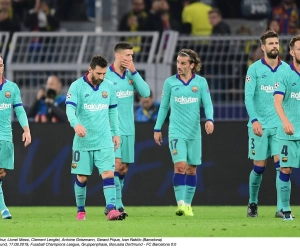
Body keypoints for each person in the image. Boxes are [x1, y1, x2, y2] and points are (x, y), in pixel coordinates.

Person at [154, 48, 214, 216]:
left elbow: (207, 104)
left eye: (183, 63)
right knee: (180, 166)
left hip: (194, 133)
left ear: (192, 65)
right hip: (176, 132)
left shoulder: (201, 83)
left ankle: (188, 205)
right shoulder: (170, 82)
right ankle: (180, 204)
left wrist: (210, 119)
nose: (179, 66)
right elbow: (164, 106)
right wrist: (157, 128)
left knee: (192, 170)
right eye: (178, 62)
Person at [65, 54, 126, 221]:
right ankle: (81, 211)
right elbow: (69, 109)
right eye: (99, 73)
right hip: (83, 141)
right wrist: (75, 124)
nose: (102, 77)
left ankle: (111, 209)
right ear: (90, 70)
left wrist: (116, 133)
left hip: (104, 139)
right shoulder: (76, 86)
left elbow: (113, 111)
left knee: (109, 173)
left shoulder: (108, 87)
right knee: (82, 177)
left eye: (104, 74)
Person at [244, 30, 292, 218]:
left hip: (280, 126)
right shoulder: (254, 69)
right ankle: (253, 203)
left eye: (276, 43)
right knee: (259, 167)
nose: (274, 46)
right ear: (263, 47)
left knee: (282, 166)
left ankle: (281, 208)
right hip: (260, 125)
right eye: (270, 43)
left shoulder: (287, 70)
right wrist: (254, 119)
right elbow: (248, 97)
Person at [105, 41, 150, 216]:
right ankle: (117, 204)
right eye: (127, 56)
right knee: (115, 165)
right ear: (117, 55)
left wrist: (135, 71)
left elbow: (146, 93)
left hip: (129, 128)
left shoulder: (132, 75)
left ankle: (116, 200)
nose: (130, 59)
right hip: (112, 129)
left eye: (132, 56)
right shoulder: (106, 75)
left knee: (123, 168)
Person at [0, 53, 31, 219]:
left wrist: (26, 129)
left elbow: (19, 110)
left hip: (5, 136)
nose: (0, 67)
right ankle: (4, 209)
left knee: (1, 173)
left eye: (1, 64)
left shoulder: (11, 88)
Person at [273, 34, 300, 221]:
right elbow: (277, 102)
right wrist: (285, 122)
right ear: (291, 52)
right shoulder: (283, 74)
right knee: (285, 169)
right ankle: (285, 209)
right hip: (288, 132)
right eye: (299, 49)